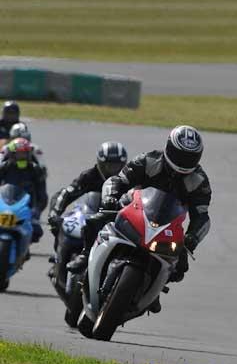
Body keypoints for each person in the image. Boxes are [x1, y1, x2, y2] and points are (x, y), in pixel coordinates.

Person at [68, 126, 211, 314]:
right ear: (169, 148)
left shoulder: (199, 181)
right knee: (95, 220)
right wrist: (110, 198)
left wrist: (192, 238)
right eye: (179, 155)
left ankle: (154, 289)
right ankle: (86, 255)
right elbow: (117, 180)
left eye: (189, 157)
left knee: (180, 267)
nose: (183, 162)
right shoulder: (148, 160)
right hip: (132, 208)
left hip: (166, 226)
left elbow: (202, 216)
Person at [47, 142, 128, 247]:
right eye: (109, 166)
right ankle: (60, 258)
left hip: (116, 222)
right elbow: (67, 193)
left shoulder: (128, 179)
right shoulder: (89, 176)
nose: (112, 170)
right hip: (89, 217)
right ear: (100, 164)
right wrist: (54, 214)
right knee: (61, 229)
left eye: (116, 166)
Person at [0, 138, 47, 243]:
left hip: (26, 207)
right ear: (12, 154)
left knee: (36, 231)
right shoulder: (3, 168)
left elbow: (42, 195)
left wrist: (36, 210)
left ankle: (24, 246)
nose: (22, 157)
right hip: (5, 203)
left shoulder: (36, 170)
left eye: (24, 154)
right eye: (19, 154)